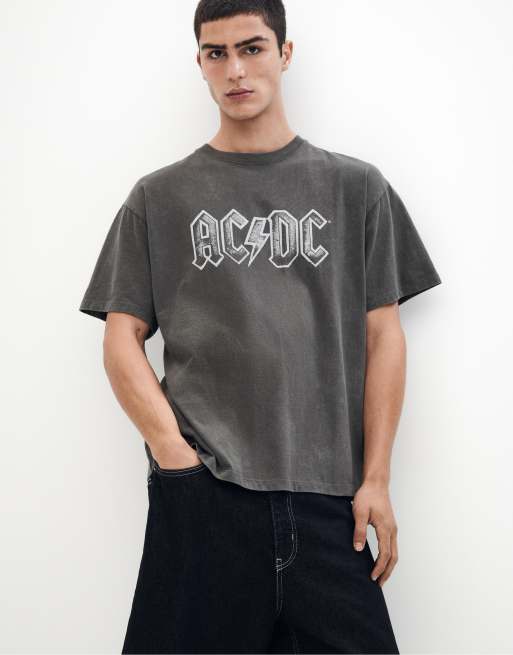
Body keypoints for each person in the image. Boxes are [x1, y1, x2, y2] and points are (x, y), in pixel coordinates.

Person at [79, 1, 442, 652]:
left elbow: (384, 336)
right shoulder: (158, 198)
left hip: (331, 503)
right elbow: (120, 336)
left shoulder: (356, 189)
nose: (235, 70)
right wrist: (174, 457)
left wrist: (377, 479)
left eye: (251, 48)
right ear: (199, 64)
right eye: (216, 54)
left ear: (285, 53)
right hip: (207, 495)